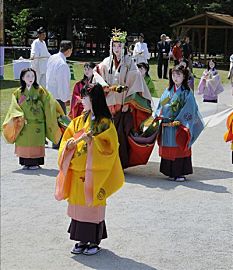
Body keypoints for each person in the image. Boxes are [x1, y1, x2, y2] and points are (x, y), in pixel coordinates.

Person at [55, 83, 124, 255]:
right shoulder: (78, 121)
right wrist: (68, 145)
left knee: (91, 205)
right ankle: (80, 240)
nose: (81, 100)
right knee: (79, 207)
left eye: (85, 97)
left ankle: (93, 242)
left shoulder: (105, 123)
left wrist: (93, 141)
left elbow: (111, 147)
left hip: (94, 173)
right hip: (78, 172)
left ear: (94, 100)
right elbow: (66, 139)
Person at [95, 28, 152, 168]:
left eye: (119, 45)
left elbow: (135, 80)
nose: (116, 48)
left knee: (121, 134)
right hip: (109, 104)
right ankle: (107, 161)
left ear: (123, 46)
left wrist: (128, 102)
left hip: (123, 104)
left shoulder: (129, 62)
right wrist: (104, 86)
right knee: (106, 133)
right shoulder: (106, 62)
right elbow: (97, 75)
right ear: (111, 46)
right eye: (114, 45)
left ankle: (120, 162)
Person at [2, 68, 64, 170]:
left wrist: (52, 113)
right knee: (24, 142)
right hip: (24, 123)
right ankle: (24, 162)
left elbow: (49, 103)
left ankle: (36, 162)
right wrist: (18, 114)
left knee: (36, 142)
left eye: (33, 76)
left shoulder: (40, 90)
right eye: (28, 76)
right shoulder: (18, 92)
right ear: (22, 78)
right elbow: (14, 106)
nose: (31, 78)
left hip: (37, 124)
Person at [154, 64, 204, 181]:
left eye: (178, 75)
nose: (175, 77)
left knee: (179, 145)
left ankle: (179, 172)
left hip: (179, 125)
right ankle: (169, 171)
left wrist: (179, 120)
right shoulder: (168, 91)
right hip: (167, 125)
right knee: (169, 146)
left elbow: (190, 108)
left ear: (184, 77)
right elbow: (161, 105)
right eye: (173, 75)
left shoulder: (187, 93)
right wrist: (161, 115)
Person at [46, 40, 73, 148]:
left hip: (50, 93)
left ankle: (55, 141)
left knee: (53, 120)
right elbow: (63, 84)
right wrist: (65, 98)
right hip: (58, 96)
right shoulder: (62, 65)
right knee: (61, 121)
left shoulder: (52, 58)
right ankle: (58, 142)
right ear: (69, 50)